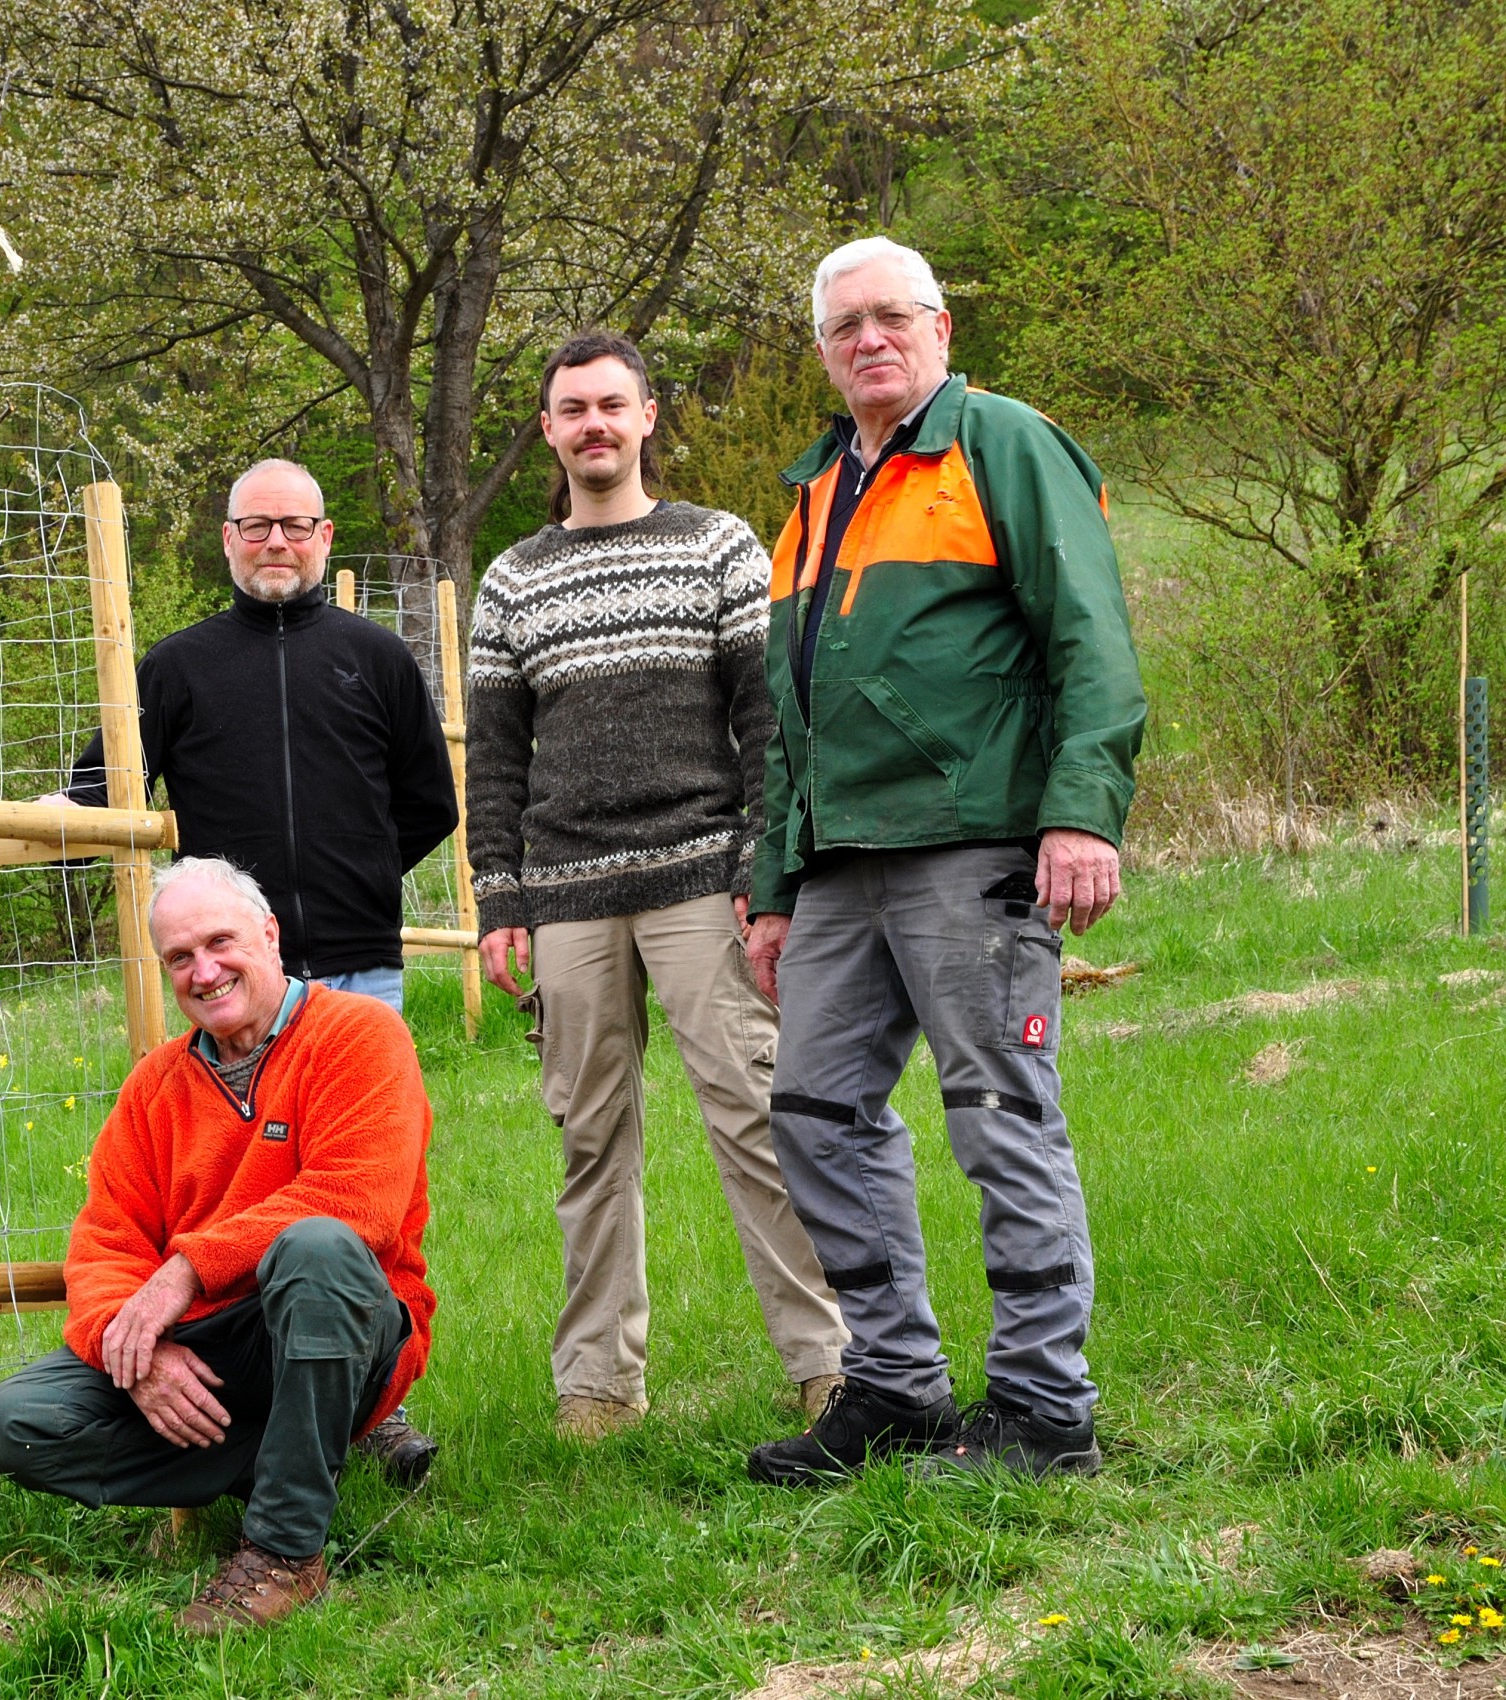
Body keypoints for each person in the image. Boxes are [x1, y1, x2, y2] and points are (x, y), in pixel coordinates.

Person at [741, 237, 1146, 1484]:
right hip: (838, 865)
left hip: (971, 845)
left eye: (891, 317)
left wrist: (1080, 812)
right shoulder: (812, 490)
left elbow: (1093, 640)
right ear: (822, 350)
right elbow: (788, 711)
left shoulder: (1003, 445)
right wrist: (771, 887)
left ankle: (1041, 1409)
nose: (868, 339)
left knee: (997, 1117)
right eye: (843, 325)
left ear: (941, 327)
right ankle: (898, 1385)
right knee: (810, 1112)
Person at [464, 330, 848, 1441]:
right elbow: (494, 754)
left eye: (611, 405)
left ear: (646, 419)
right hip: (567, 891)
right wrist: (501, 899)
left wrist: (757, 869)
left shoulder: (717, 547)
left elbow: (765, 719)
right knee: (589, 1141)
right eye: (571, 407)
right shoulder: (513, 578)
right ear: (548, 430)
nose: (593, 423)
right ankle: (597, 1383)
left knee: (757, 1118)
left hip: (700, 882)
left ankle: (827, 1361)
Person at [0, 856, 437, 1634]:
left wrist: (187, 1270)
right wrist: (139, 1349)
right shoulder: (155, 1085)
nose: (205, 971)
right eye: (180, 958)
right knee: (15, 1422)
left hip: (343, 1322)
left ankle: (285, 1551)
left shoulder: (360, 1035)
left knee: (316, 1247)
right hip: (209, 1348)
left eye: (220, 942)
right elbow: (105, 1239)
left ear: (269, 933)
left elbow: (360, 1201)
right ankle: (311, 1450)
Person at [49, 458, 459, 1013]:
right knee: (250, 1105)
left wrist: (362, 871)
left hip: (364, 968)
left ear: (324, 536)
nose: (275, 542)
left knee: (364, 1104)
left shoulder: (378, 657)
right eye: (256, 526)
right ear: (228, 538)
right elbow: (107, 787)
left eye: (295, 525)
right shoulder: (178, 666)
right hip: (232, 970)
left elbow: (430, 805)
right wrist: (43, 821)